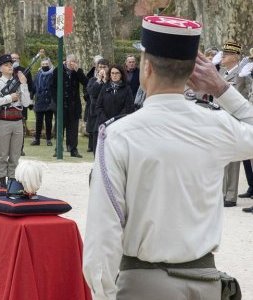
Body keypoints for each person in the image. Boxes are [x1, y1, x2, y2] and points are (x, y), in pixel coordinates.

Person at [83, 16, 246, 300]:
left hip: (142, 287)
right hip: (205, 284)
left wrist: (104, 293)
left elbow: (104, 233)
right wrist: (221, 89)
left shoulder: (119, 135)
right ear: (192, 72)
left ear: (146, 68)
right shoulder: (217, 126)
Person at [0, 54, 31, 188]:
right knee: (2, 153)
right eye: (6, 65)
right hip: (3, 120)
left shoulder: (18, 82)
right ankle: (2, 179)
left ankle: (12, 178)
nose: (10, 67)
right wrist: (8, 98)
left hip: (18, 120)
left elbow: (26, 102)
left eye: (11, 65)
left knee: (15, 153)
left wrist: (23, 85)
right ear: (0, 67)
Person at [220, 41, 249, 207]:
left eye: (227, 54)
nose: (223, 56)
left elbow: (241, 96)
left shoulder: (241, 74)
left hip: (235, 119)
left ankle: (230, 195)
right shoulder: (223, 72)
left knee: (232, 159)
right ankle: (223, 193)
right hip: (222, 117)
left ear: (235, 56)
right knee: (224, 157)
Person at [50, 54, 88, 157]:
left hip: (74, 105)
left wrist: (78, 71)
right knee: (60, 128)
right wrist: (57, 100)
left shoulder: (77, 72)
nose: (73, 63)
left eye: (75, 61)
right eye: (71, 61)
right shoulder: (58, 70)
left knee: (73, 129)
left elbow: (86, 82)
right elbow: (52, 86)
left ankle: (73, 149)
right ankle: (58, 148)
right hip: (61, 105)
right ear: (66, 61)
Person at [93, 64, 135, 134]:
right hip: (104, 125)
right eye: (112, 73)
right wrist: (106, 121)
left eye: (117, 73)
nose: (114, 75)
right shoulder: (105, 87)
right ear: (110, 75)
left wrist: (115, 120)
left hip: (121, 125)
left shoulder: (127, 89)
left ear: (121, 74)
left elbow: (129, 107)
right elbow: (98, 106)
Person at [86, 58, 110, 152]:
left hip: (108, 114)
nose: (102, 69)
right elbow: (92, 92)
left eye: (104, 67)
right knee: (96, 142)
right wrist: (99, 80)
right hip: (95, 114)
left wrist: (105, 81)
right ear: (97, 69)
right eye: (100, 67)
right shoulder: (93, 80)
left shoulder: (111, 81)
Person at [31, 57, 55, 146]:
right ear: (41, 65)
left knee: (48, 122)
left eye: (46, 64)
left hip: (49, 101)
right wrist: (31, 98)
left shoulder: (53, 74)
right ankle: (37, 139)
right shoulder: (38, 75)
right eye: (43, 64)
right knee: (38, 122)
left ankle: (48, 139)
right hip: (39, 100)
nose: (45, 66)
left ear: (49, 64)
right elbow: (34, 87)